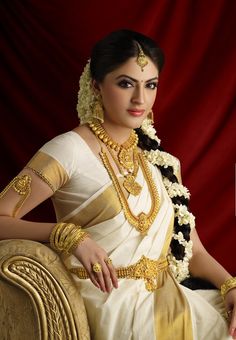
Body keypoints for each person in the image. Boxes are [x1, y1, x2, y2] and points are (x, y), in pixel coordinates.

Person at [0, 29, 235, 340]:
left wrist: (230, 286)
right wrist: (65, 235)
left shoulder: (161, 163)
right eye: (126, 84)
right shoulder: (68, 151)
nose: (140, 99)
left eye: (150, 85)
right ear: (96, 86)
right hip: (113, 304)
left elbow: (195, 253)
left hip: (168, 297)